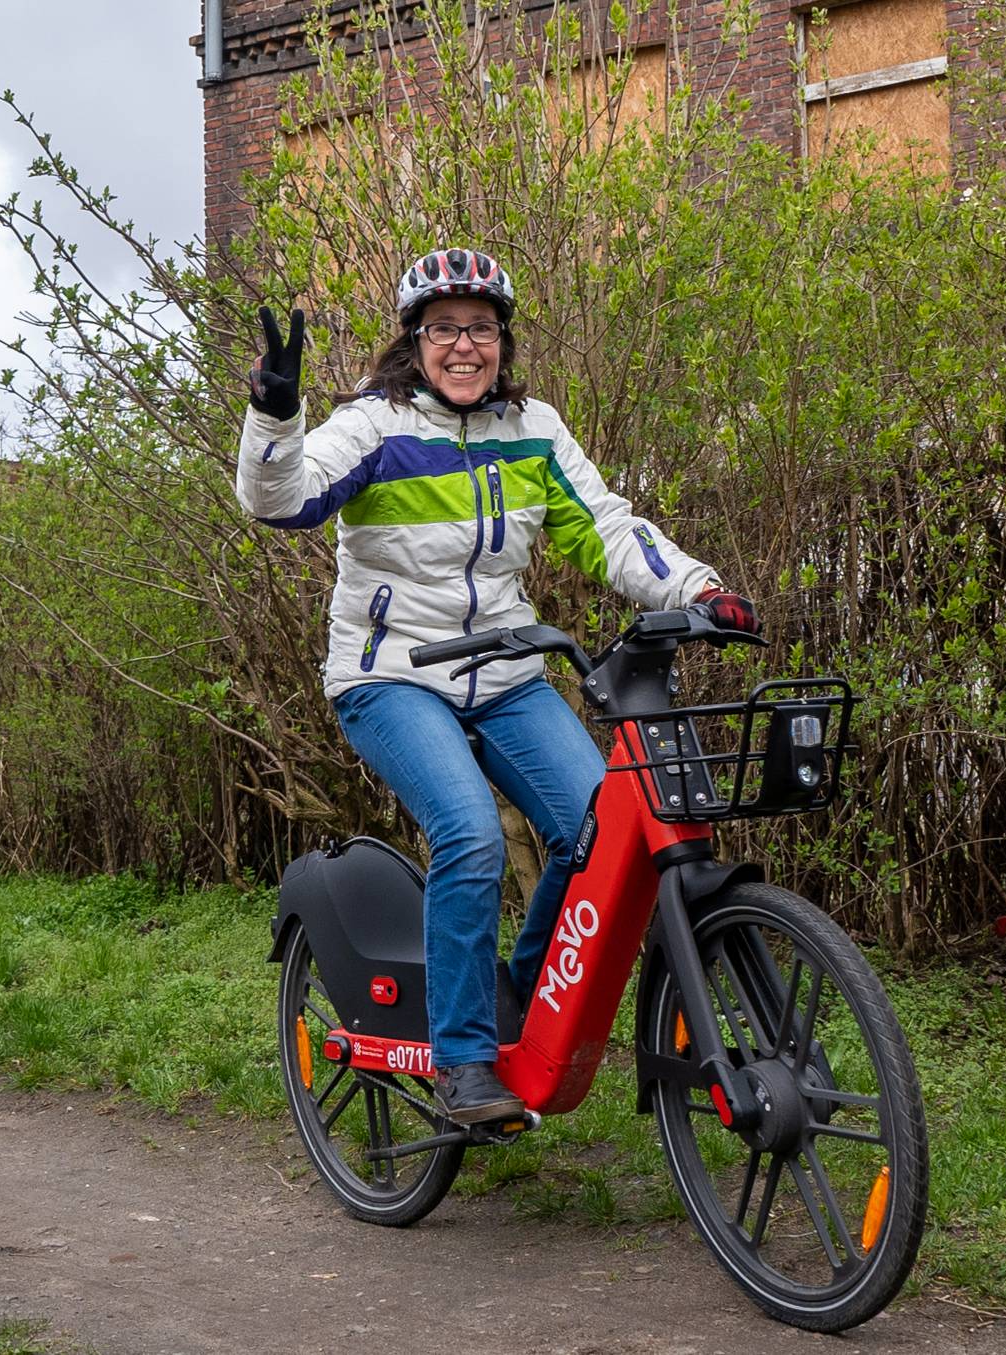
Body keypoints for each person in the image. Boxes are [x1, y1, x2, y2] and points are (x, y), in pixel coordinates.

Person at [234, 247, 762, 1125]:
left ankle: (521, 995)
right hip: (392, 673)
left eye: (480, 328)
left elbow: (606, 529)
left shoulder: (533, 429)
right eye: (443, 329)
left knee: (596, 834)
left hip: (506, 671)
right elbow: (281, 498)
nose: (464, 346)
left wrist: (699, 590)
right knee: (471, 836)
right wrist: (274, 415)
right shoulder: (372, 427)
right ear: (414, 342)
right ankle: (463, 1059)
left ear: (502, 341)